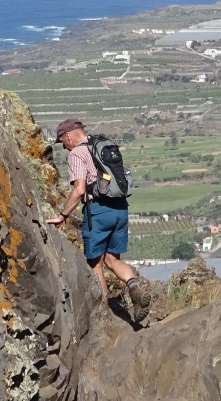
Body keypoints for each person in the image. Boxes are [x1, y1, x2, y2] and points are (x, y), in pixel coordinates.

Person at [46, 119, 151, 324]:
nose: (65, 147)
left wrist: (63, 215)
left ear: (67, 136)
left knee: (96, 263)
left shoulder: (77, 153)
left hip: (99, 212)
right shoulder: (102, 144)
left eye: (63, 142)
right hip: (120, 208)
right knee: (113, 260)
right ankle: (134, 288)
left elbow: (79, 189)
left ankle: (104, 313)